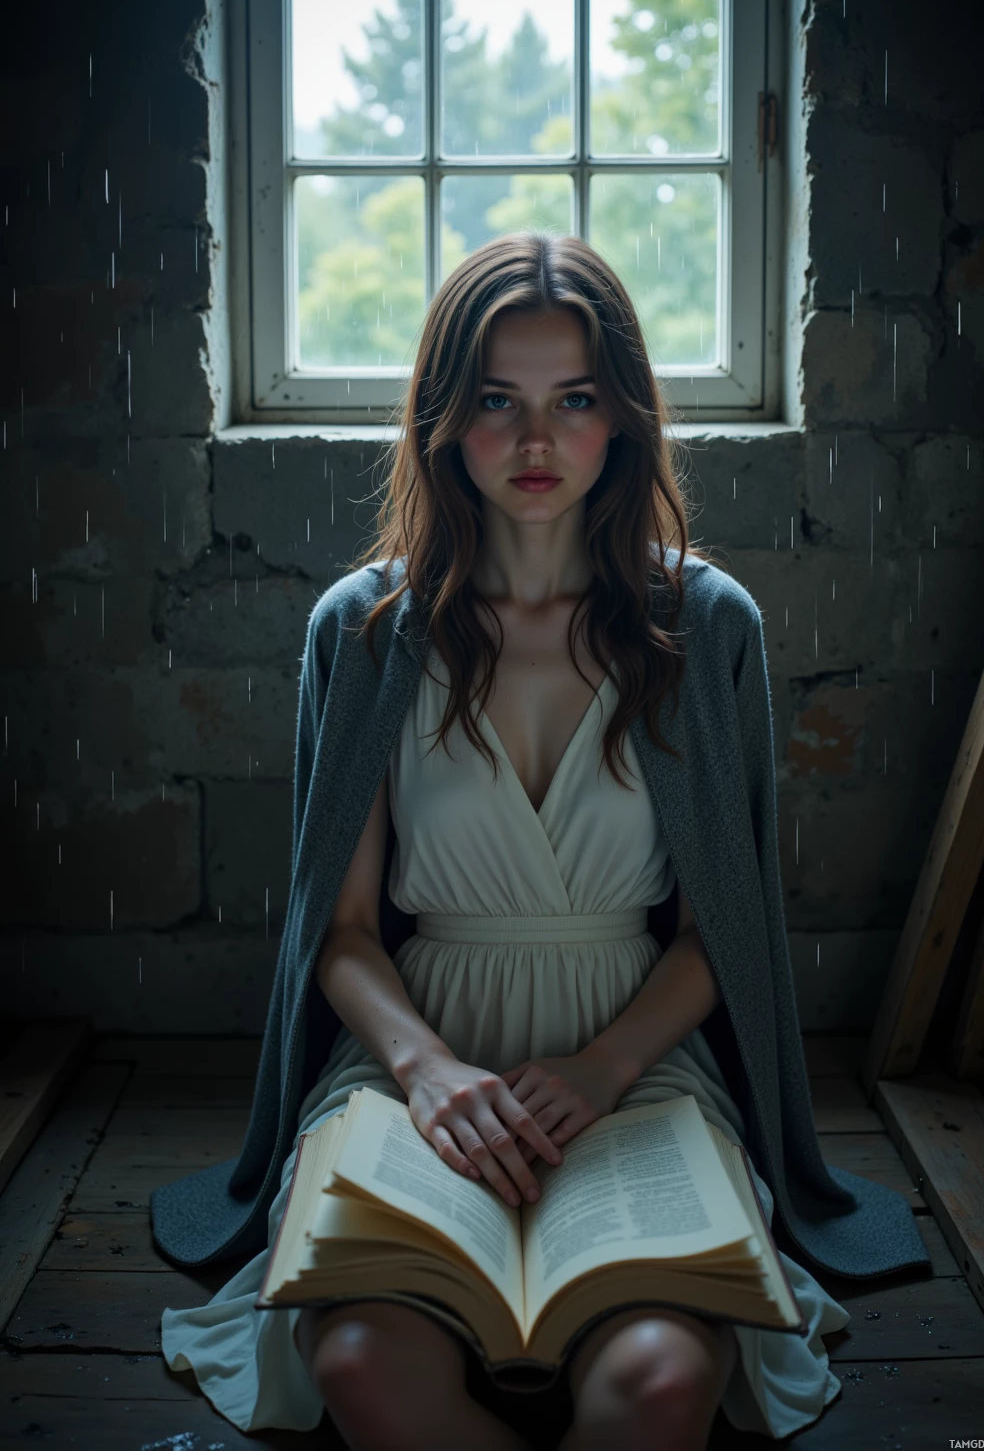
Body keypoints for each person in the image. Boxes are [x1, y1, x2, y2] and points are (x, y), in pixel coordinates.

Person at [160, 232, 852, 1448]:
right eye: (497, 403)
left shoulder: (705, 625)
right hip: (408, 1051)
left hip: (630, 1051)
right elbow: (344, 931)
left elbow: (719, 938)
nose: (537, 445)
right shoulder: (364, 631)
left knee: (657, 1381)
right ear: (442, 418)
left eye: (574, 401)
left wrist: (598, 1070)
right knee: (368, 1361)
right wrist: (426, 1071)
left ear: (624, 416)